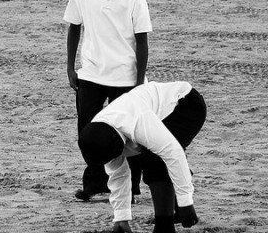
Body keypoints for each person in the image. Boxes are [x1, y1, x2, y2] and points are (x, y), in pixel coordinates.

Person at [64, 0, 152, 201]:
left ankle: (132, 188)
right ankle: (95, 184)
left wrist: (138, 83)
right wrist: (70, 67)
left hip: (126, 78)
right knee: (88, 133)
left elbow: (142, 41)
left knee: (129, 136)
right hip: (90, 75)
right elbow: (74, 28)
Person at [77, 81, 206, 233]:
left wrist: (186, 202)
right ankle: (173, 203)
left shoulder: (137, 121)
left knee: (154, 160)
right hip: (153, 109)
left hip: (185, 104)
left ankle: (164, 227)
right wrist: (121, 218)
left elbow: (173, 152)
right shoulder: (99, 135)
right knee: (155, 160)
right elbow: (118, 175)